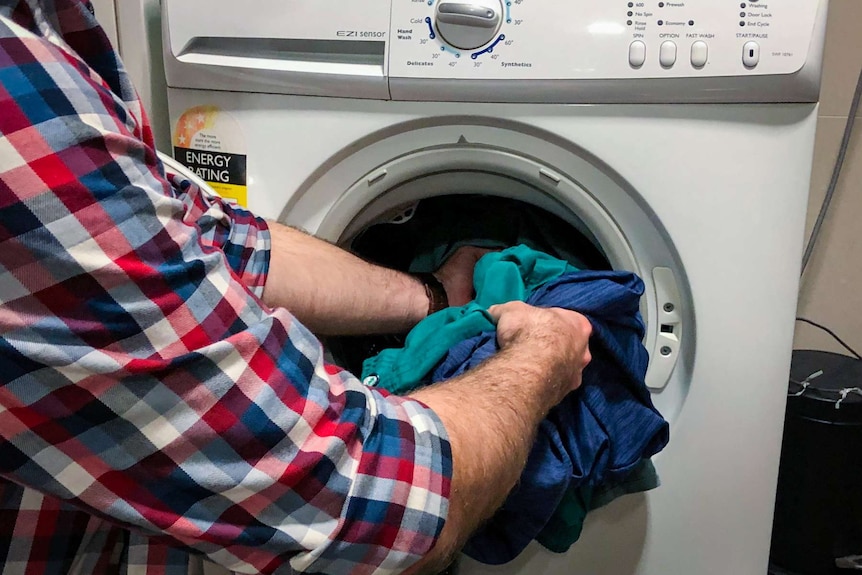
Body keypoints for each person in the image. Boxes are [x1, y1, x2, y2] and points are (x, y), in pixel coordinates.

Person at [0, 1, 592, 574]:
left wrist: (434, 296)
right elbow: (361, 500)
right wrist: (541, 359)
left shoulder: (43, 33)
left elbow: (215, 240)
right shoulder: (15, 91)